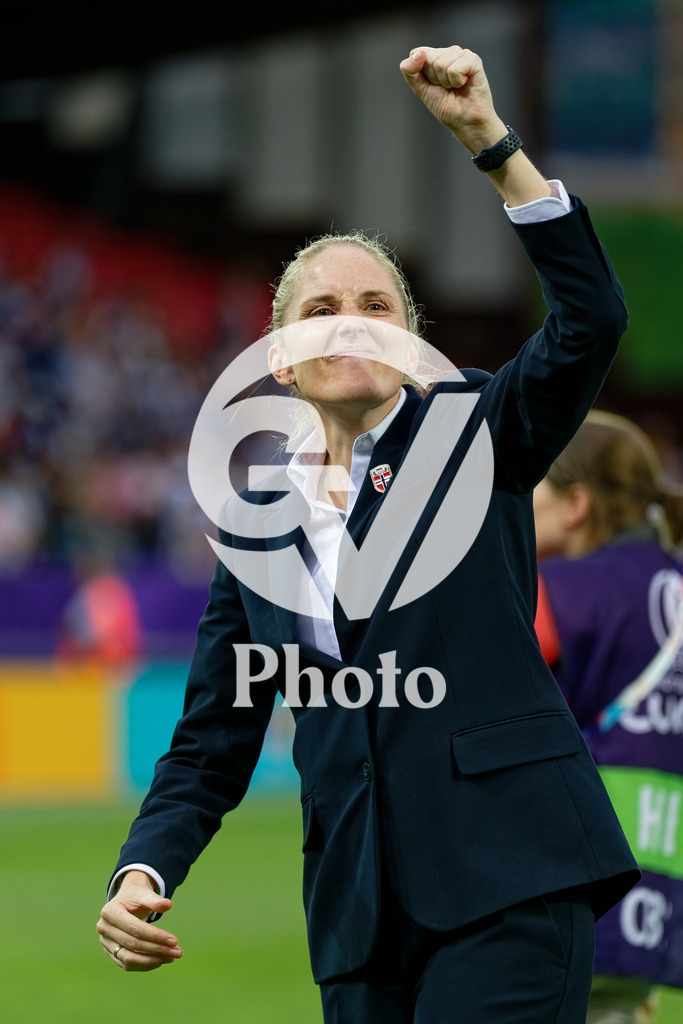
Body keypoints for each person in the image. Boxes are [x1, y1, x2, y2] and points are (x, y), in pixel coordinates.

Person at [96, 45, 640, 1023]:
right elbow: (213, 740)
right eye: (321, 311)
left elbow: (590, 318)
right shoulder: (253, 528)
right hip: (357, 915)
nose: (349, 324)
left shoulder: (472, 431)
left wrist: (489, 141)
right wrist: (143, 865)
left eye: (375, 307)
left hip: (508, 879)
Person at [534, 410, 683, 1024]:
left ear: (576, 503)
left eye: (531, 482)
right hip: (657, 902)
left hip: (567, 889)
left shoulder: (555, 588)